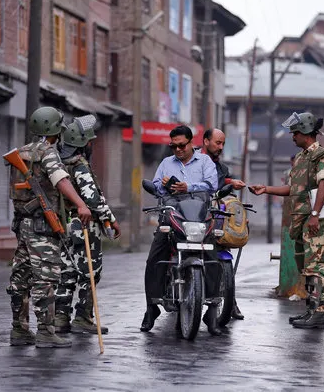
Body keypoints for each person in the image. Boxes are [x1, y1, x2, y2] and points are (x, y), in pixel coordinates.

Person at [7, 106, 92, 348]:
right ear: (56, 130)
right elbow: (61, 180)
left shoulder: (22, 152)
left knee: (20, 277)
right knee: (45, 278)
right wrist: (80, 204)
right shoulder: (48, 153)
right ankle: (45, 331)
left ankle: (19, 330)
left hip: (22, 223)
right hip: (42, 227)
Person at [250, 111, 324, 330]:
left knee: (315, 266)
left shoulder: (320, 155)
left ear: (305, 132)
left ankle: (318, 313)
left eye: (295, 132)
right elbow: (293, 189)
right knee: (305, 267)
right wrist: (266, 189)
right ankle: (310, 310)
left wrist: (315, 215)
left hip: (314, 219)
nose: (292, 136)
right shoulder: (301, 157)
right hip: (301, 220)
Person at [140, 125, 219, 334]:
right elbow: (155, 186)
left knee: (213, 258)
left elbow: (212, 185)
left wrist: (188, 187)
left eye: (182, 145)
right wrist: (163, 186)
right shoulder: (167, 163)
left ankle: (211, 310)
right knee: (154, 259)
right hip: (171, 215)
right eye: (173, 146)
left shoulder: (205, 161)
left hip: (198, 217)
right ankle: (151, 308)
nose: (178, 150)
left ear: (192, 142)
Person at [54, 115, 121, 335]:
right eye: (90, 141)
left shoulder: (58, 163)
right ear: (83, 143)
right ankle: (83, 318)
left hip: (63, 225)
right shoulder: (80, 165)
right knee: (90, 272)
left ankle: (60, 319)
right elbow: (92, 198)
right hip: (83, 225)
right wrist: (110, 219)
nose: (92, 144)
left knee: (67, 271)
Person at [202, 128, 246, 321]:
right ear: (205, 142)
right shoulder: (193, 161)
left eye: (222, 144)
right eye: (217, 143)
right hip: (193, 215)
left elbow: (220, 186)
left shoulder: (221, 168)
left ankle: (230, 300)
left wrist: (231, 183)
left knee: (223, 244)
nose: (220, 147)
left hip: (213, 216)